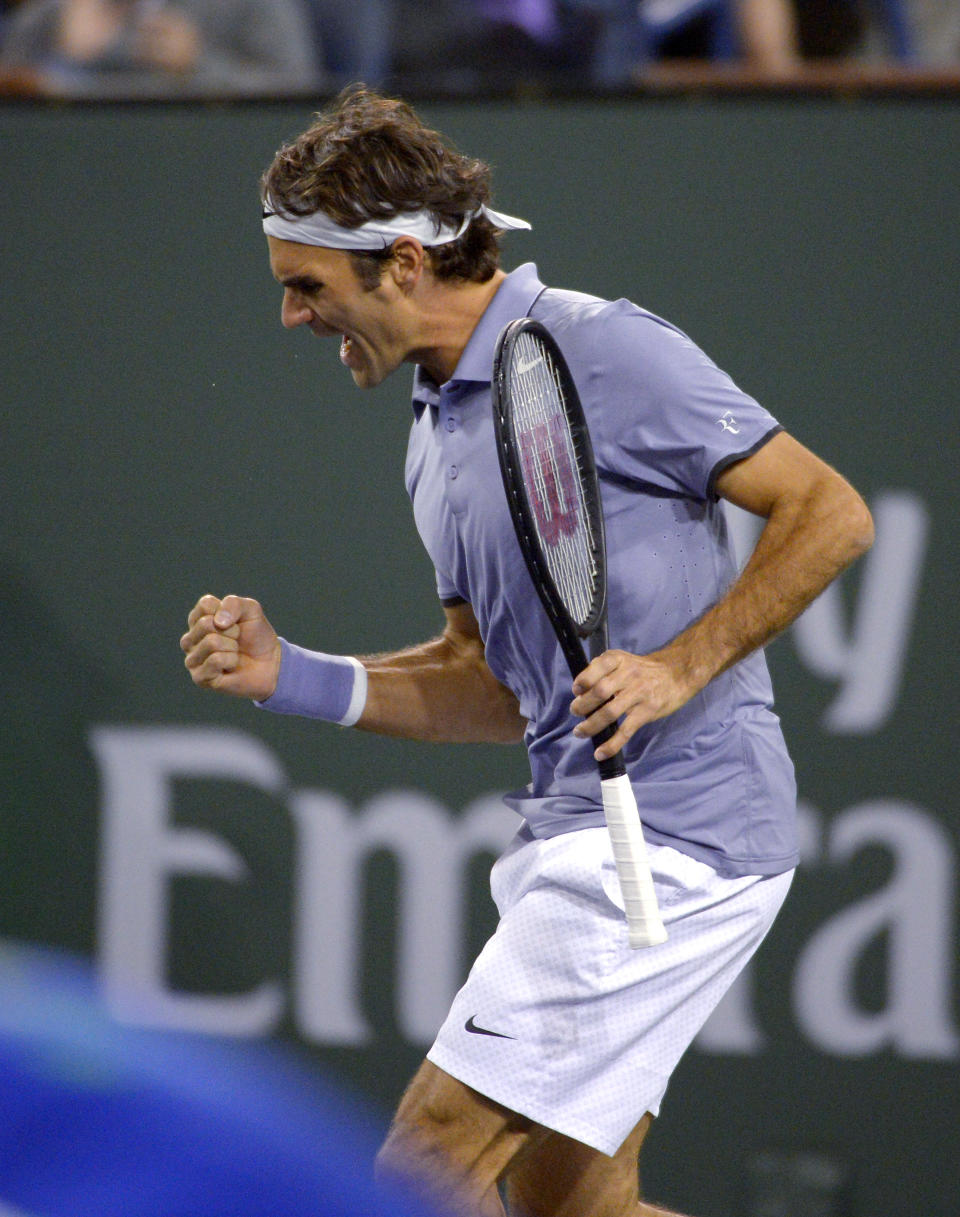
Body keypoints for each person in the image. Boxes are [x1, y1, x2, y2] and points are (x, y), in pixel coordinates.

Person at [180, 88, 874, 1217]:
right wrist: (288, 673)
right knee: (570, 1206)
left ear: (402, 260)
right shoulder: (430, 430)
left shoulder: (599, 347)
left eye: (308, 287)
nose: (294, 317)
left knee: (421, 1171)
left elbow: (830, 510)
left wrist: (679, 665)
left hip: (676, 837)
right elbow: (494, 686)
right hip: (586, 831)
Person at [0, 0, 319, 98]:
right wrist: (61, 57)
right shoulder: (50, 13)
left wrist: (198, 64)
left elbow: (300, 92)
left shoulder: (246, 6)